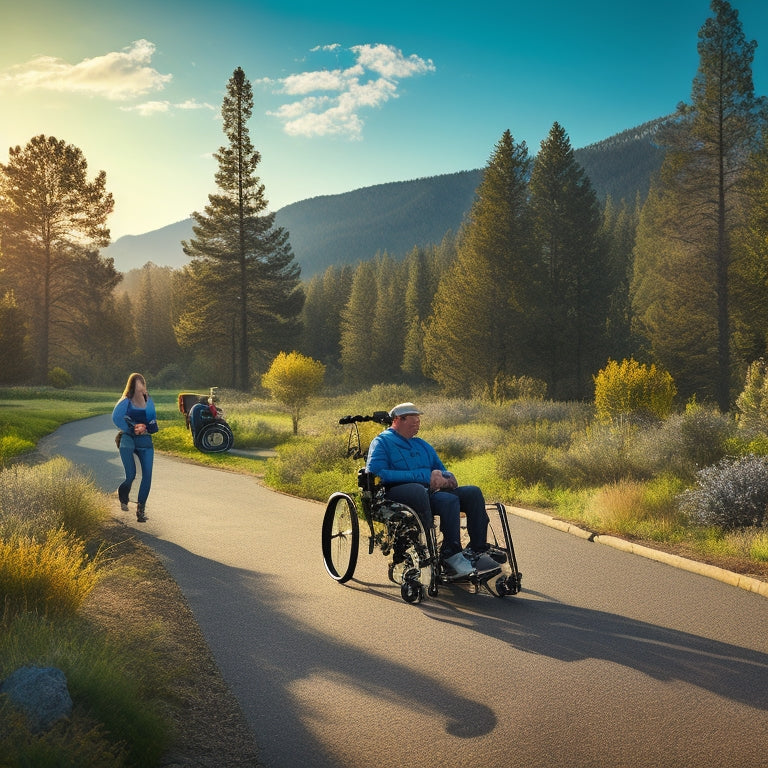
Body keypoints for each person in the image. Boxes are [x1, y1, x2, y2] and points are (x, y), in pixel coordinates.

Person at [366, 402, 502, 580]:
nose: (417, 422)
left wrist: (447, 478)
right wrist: (424, 476)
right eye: (413, 419)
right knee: (447, 500)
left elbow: (441, 469)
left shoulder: (421, 445)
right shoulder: (382, 442)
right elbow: (377, 473)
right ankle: (450, 554)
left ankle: (477, 550)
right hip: (400, 494)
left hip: (429, 493)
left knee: (472, 492)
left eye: (418, 419)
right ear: (398, 420)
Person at [112, 373, 158, 523]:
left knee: (147, 476)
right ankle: (123, 494)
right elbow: (116, 418)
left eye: (142, 385)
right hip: (128, 440)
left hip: (145, 442)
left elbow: (153, 423)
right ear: (132, 386)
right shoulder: (125, 401)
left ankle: (140, 510)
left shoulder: (148, 401)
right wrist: (132, 428)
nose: (141, 388)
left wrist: (147, 427)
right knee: (131, 475)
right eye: (137, 385)